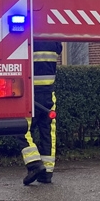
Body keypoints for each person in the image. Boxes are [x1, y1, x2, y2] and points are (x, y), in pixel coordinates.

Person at [22, 40, 62, 185]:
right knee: (48, 132)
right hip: (48, 94)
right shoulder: (54, 42)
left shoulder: (28, 41)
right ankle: (47, 173)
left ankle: (34, 164)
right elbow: (59, 48)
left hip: (30, 95)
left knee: (22, 129)